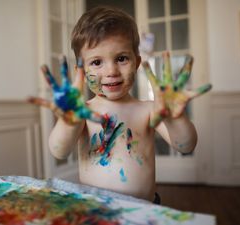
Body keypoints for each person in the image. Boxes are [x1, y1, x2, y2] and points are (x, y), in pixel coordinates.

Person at [30, 6, 211, 203]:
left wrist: (174, 118)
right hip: (97, 212)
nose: (111, 71)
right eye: (97, 62)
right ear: (80, 72)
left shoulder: (149, 111)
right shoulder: (84, 113)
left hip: (144, 211)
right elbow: (59, 150)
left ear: (137, 62)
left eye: (121, 58)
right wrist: (68, 122)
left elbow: (186, 145)